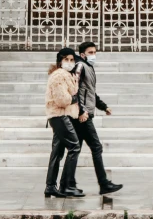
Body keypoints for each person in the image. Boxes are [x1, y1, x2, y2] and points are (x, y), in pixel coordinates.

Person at [74, 41, 123, 196]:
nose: (93, 55)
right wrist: (82, 111)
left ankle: (67, 184)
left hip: (86, 113)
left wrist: (102, 106)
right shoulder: (80, 67)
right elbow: (75, 91)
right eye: (90, 52)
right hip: (83, 115)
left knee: (75, 150)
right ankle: (103, 184)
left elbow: (90, 92)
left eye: (95, 52)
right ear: (82, 54)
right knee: (96, 147)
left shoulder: (88, 67)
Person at [44, 47, 85, 198]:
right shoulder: (59, 75)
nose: (69, 62)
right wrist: (73, 99)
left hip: (58, 115)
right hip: (60, 115)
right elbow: (62, 100)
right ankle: (66, 185)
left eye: (71, 60)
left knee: (57, 152)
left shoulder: (64, 74)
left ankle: (51, 186)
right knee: (74, 147)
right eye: (66, 60)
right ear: (60, 61)